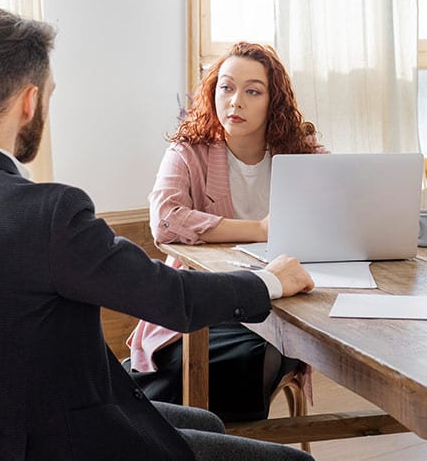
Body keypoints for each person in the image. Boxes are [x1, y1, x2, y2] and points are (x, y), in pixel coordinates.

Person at [0, 9, 315, 461]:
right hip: (60, 439)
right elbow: (167, 295)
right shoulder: (46, 212)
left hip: (1, 426)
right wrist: (270, 281)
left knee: (207, 421)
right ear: (29, 101)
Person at [127, 41, 327, 422]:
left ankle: (213, 441)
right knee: (217, 361)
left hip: (282, 306)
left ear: (274, 101)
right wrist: (260, 229)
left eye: (252, 91)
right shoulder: (188, 150)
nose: (235, 101)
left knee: (259, 352)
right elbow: (165, 221)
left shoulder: (303, 154)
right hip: (206, 300)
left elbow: (335, 214)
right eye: (226, 87)